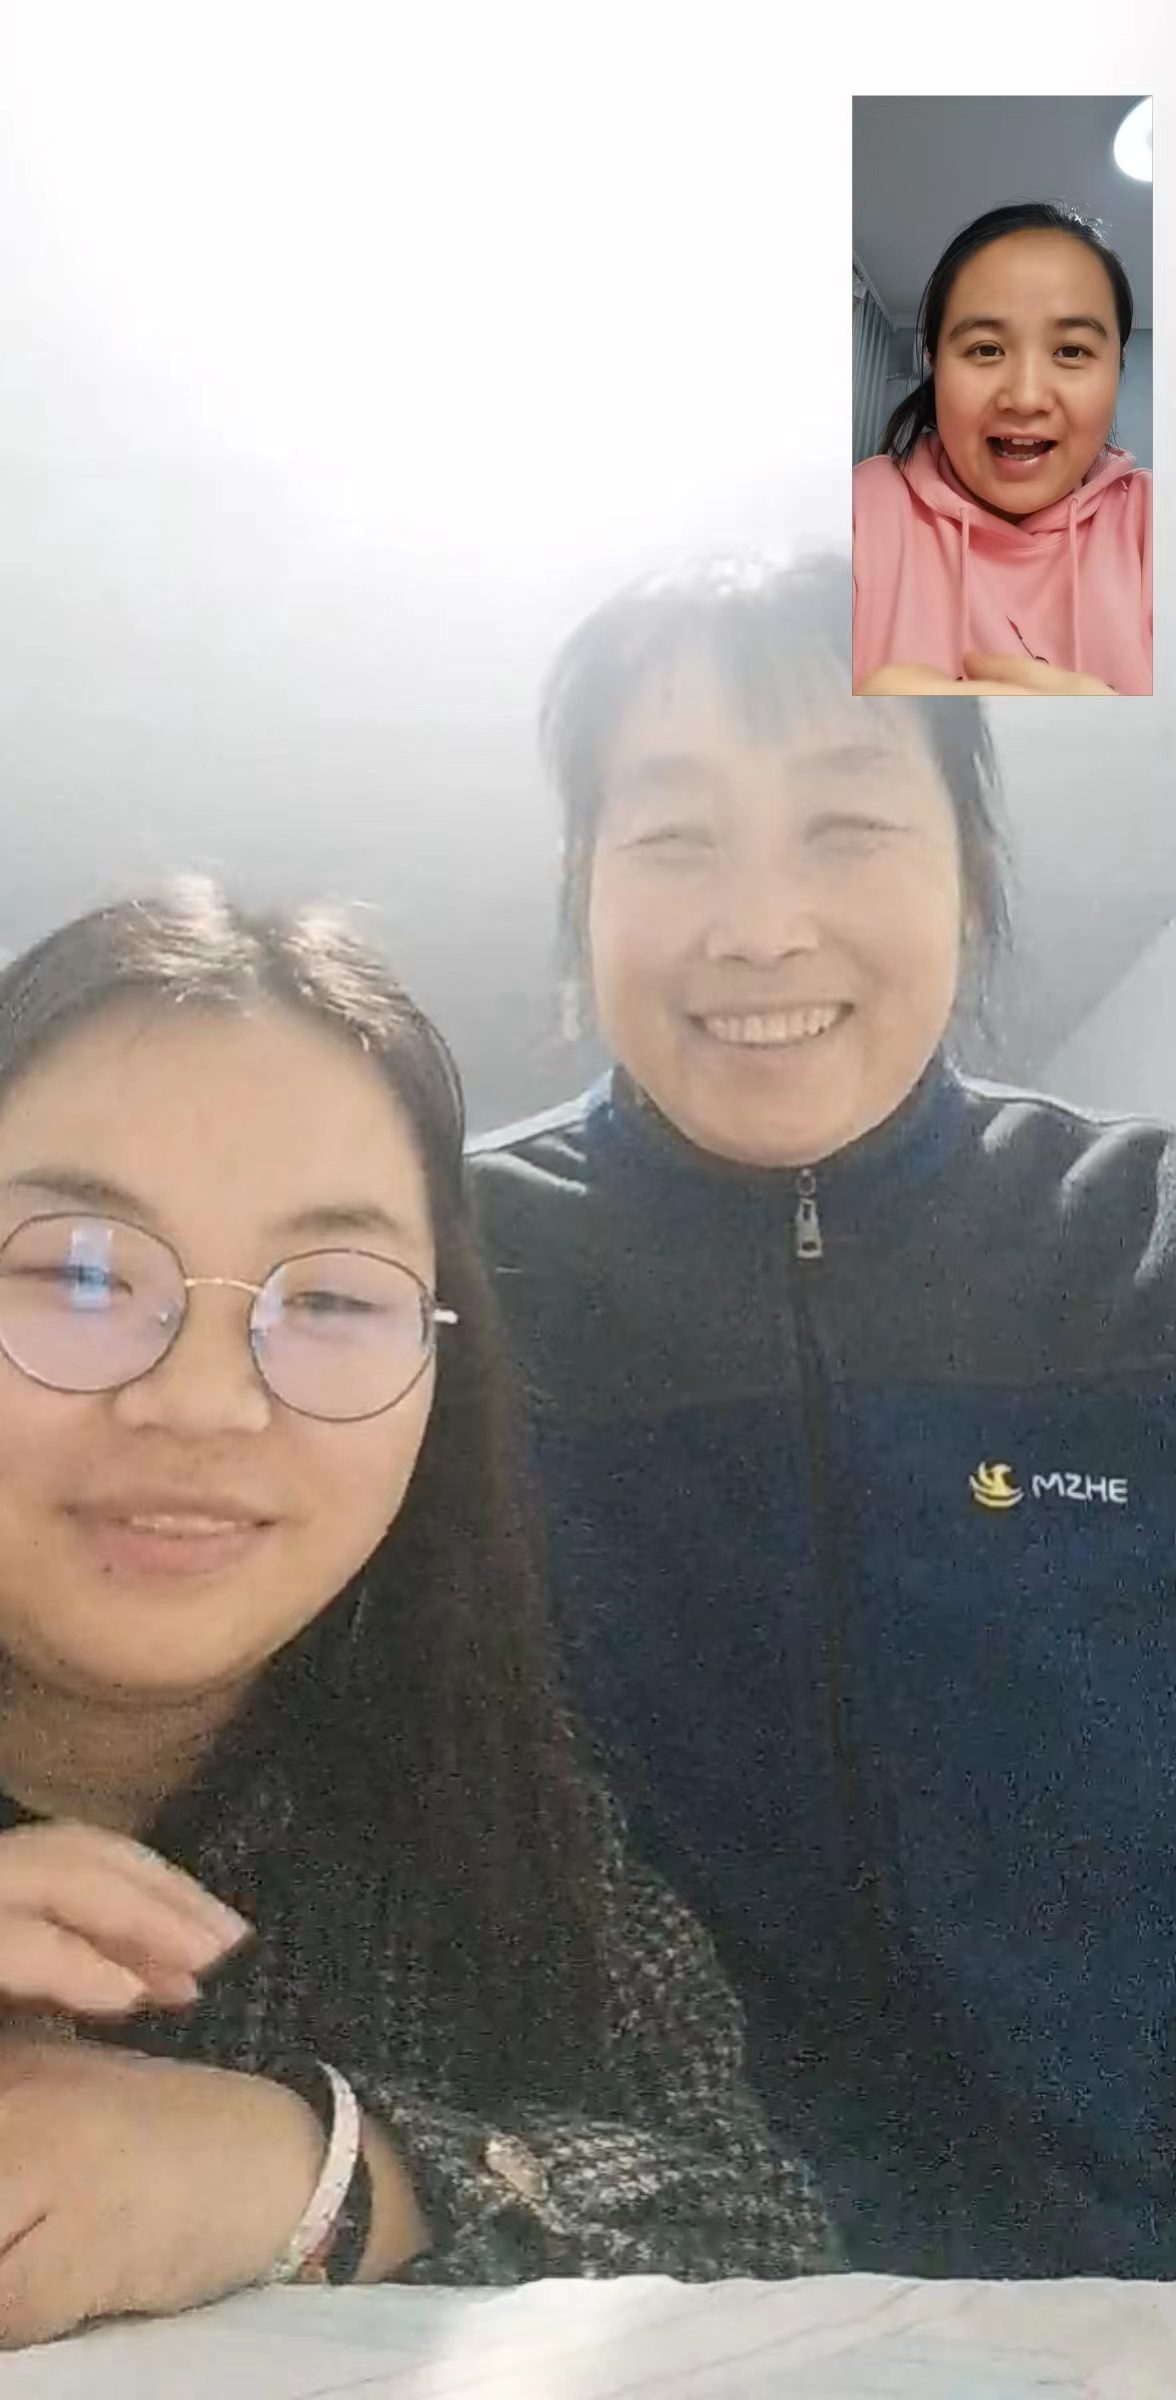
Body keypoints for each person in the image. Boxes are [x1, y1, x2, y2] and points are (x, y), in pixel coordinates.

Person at [0, 882, 833, 2350]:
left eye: (330, 1301)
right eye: (77, 1272)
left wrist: (323, 2175)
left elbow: (761, 2240)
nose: (202, 1401)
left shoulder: (484, 1801)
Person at [469, 552, 1176, 2278]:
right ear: (580, 892)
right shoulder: (435, 1270)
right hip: (629, 2281)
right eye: (674, 837)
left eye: (847, 825)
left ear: (969, 874)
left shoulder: (1138, 1243)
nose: (761, 925)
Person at [852, 203, 1152, 697]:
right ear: (935, 366)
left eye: (1071, 351)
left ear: (1115, 370)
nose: (1026, 398)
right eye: (986, 349)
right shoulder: (858, 511)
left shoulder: (1153, 524)